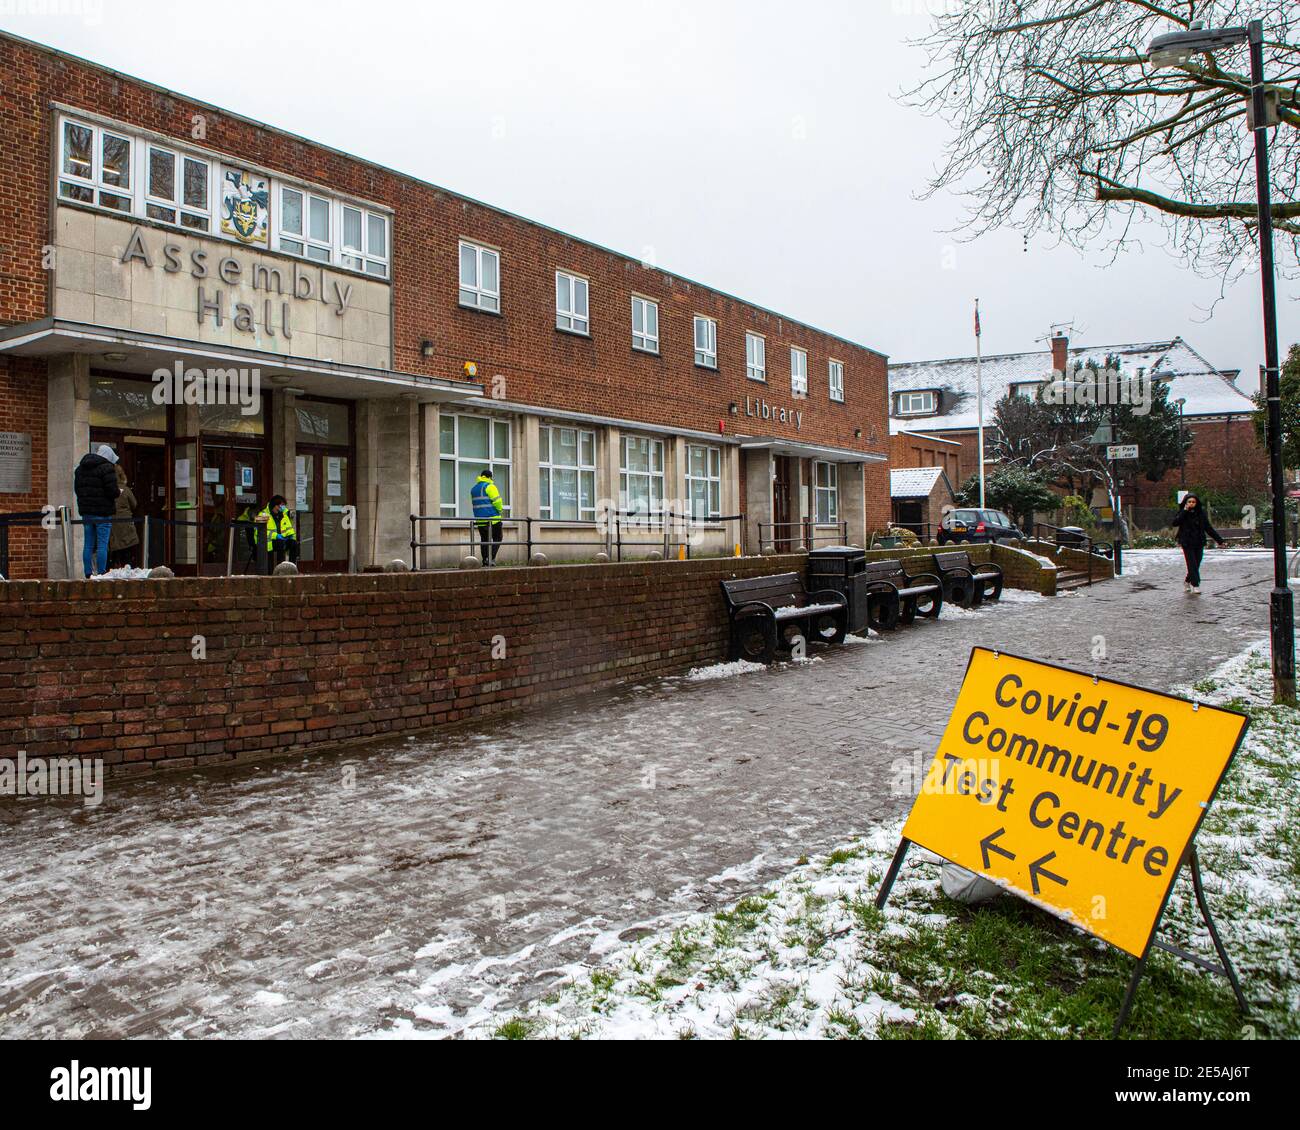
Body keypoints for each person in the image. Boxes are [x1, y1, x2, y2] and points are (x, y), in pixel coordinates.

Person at [73, 444, 120, 578]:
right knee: (102, 544)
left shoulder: (80, 469)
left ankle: (88, 572)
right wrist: (118, 492)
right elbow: (112, 491)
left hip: (87, 512)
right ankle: (101, 572)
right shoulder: (107, 468)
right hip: (103, 512)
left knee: (88, 543)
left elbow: (78, 490)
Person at [1171, 492, 1225, 595]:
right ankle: (1195, 585)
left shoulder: (1201, 514)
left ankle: (1187, 581)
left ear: (1197, 503)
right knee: (1191, 564)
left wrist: (1219, 540)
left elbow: (1208, 528)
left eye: (1193, 502)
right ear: (1186, 502)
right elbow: (1175, 523)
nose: (1191, 503)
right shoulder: (1182, 513)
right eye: (1189, 501)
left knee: (1197, 563)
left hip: (1199, 541)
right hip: (1187, 542)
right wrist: (1184, 511)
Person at [107, 463, 140, 569]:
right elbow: (134, 504)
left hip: (112, 524)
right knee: (127, 553)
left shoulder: (108, 489)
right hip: (126, 524)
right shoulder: (125, 489)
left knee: (116, 553)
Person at [470, 468, 504, 565]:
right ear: (490, 477)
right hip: (493, 519)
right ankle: (490, 558)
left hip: (480, 520)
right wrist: (500, 510)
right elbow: (497, 501)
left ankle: (485, 560)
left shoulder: (474, 489)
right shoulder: (490, 486)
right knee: (498, 538)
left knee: (484, 540)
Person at [255, 495, 299, 571]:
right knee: (280, 544)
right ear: (273, 505)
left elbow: (289, 529)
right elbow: (260, 532)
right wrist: (276, 536)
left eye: (282, 506)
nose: (280, 509)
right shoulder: (262, 514)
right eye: (279, 506)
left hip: (281, 539)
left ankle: (292, 568)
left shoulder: (283, 515)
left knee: (293, 544)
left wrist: (290, 536)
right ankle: (279, 569)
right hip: (267, 542)